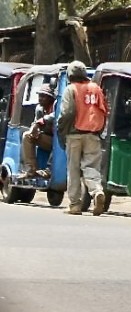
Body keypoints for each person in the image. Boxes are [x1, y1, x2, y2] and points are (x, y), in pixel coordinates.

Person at [57, 61, 109, 216]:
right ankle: (97, 191)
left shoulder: (70, 89)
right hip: (93, 134)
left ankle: (74, 205)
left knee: (73, 170)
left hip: (74, 134)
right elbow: (104, 111)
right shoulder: (96, 88)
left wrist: (62, 130)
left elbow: (66, 113)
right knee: (91, 167)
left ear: (70, 75)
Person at [18, 86, 57, 179]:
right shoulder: (39, 108)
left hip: (60, 141)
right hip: (49, 139)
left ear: (50, 98)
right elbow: (35, 123)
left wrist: (41, 122)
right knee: (27, 136)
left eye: (44, 96)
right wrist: (34, 130)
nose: (40, 99)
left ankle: (48, 170)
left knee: (59, 142)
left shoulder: (56, 106)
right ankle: (31, 170)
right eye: (40, 96)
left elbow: (56, 115)